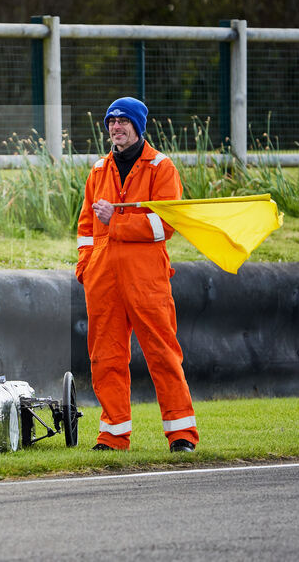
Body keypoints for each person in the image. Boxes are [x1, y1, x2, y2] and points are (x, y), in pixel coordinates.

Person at [75, 97, 199, 453]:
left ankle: (181, 435)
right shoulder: (98, 170)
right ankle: (113, 436)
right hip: (103, 281)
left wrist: (117, 221)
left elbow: (167, 224)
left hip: (147, 280)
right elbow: (85, 226)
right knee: (106, 359)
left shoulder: (162, 167)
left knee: (163, 354)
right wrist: (86, 264)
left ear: (138, 126)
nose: (116, 126)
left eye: (123, 121)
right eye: (111, 121)